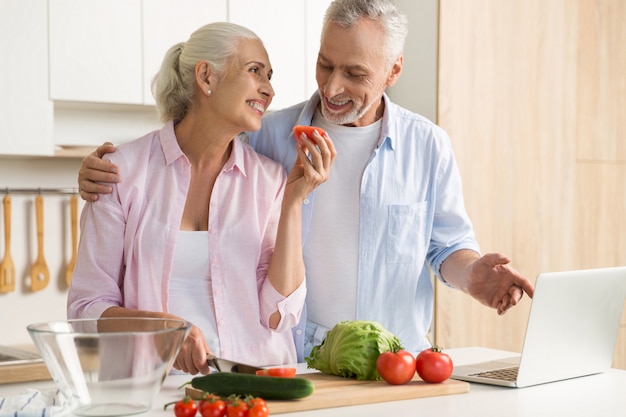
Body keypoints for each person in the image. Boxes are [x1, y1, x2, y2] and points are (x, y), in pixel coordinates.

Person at [76, 0, 534, 362]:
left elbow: (446, 246)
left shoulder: (427, 145)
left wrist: (473, 274)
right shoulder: (266, 137)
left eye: (355, 74)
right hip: (300, 363)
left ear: (393, 71)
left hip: (398, 361)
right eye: (324, 64)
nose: (332, 88)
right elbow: (196, 153)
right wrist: (99, 175)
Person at [67, 21, 336, 375]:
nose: (269, 89)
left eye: (269, 76)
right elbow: (86, 310)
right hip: (153, 392)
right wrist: (163, 329)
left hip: (253, 390)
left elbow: (279, 314)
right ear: (207, 77)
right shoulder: (119, 173)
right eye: (255, 71)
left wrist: (292, 203)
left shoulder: (269, 180)